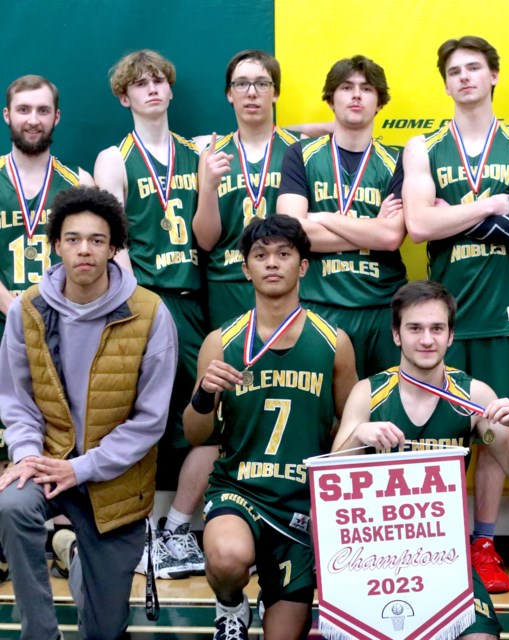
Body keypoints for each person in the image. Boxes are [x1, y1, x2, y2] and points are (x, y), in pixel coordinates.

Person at [0, 185, 177, 640]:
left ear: (114, 248)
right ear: (56, 244)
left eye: (97, 240)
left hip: (112, 481)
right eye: (73, 238)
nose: (84, 250)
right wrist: (24, 456)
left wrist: (80, 468)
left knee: (104, 632)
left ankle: (79, 559)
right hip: (47, 463)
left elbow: (150, 422)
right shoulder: (27, 309)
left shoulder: (151, 314)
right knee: (11, 502)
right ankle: (39, 632)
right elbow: (16, 400)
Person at [403, 35, 509, 594]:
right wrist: (489, 204)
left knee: (496, 433)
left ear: (493, 77)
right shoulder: (422, 147)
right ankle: (433, 545)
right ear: (445, 83)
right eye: (454, 71)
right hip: (444, 318)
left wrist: (450, 214)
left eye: (474, 69)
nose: (464, 78)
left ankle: (483, 541)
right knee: (435, 433)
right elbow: (418, 227)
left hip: (508, 315)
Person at [184, 214, 356, 640]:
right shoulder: (221, 342)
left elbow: (349, 430)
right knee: (226, 558)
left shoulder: (334, 342)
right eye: (260, 255)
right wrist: (205, 393)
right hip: (239, 491)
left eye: (284, 254)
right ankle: (230, 606)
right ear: (245, 269)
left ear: (303, 266)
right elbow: (195, 434)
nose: (272, 263)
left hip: (301, 504)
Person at [332, 279, 509, 639]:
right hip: (376, 558)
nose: (427, 339)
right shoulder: (369, 393)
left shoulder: (472, 395)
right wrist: (357, 436)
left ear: (451, 335)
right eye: (415, 328)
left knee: (482, 638)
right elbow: (329, 477)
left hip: (447, 557)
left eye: (437, 328)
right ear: (396, 335)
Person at [94, 49, 210, 580]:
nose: (152, 89)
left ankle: (178, 531)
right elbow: (113, 241)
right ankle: (132, 529)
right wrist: (139, 305)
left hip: (194, 301)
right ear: (125, 96)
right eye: (140, 84)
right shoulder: (114, 158)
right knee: (136, 418)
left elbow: (279, 133)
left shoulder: (200, 152)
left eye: (160, 80)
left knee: (197, 419)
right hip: (145, 302)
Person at [0, 74, 95, 575]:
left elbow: (96, 260)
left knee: (52, 432)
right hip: (6, 322)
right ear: (7, 116)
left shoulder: (77, 186)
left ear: (56, 118)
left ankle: (56, 534)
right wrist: (15, 307)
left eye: (42, 110)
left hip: (61, 334)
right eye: (23, 110)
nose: (32, 119)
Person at [276, 55, 407, 379]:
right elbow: (292, 234)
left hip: (382, 307)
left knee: (383, 416)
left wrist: (321, 217)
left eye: (366, 88)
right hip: (319, 304)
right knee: (324, 419)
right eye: (346, 87)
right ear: (331, 99)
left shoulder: (398, 159)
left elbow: (391, 238)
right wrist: (372, 227)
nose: (357, 95)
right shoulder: (300, 155)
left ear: (379, 102)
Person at [194, 49, 299, 329]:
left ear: (275, 93)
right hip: (228, 281)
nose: (251, 92)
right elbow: (205, 241)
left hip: (287, 281)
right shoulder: (211, 154)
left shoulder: (299, 150)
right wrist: (208, 188)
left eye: (262, 83)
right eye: (241, 83)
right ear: (230, 94)